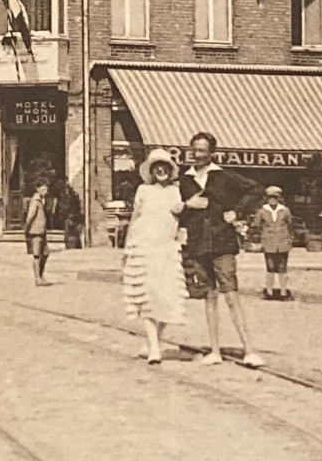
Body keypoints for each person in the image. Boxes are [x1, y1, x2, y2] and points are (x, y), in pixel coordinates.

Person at [179, 131, 266, 368]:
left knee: (231, 293)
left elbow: (256, 190)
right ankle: (215, 351)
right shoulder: (184, 180)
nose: (197, 155)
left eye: (202, 150)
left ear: (211, 153)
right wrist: (188, 205)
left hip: (222, 242)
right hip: (197, 244)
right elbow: (175, 209)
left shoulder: (224, 176)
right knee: (209, 296)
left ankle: (249, 350)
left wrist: (236, 212)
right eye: (194, 150)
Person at [123, 150, 193, 364]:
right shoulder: (143, 190)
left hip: (167, 250)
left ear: (170, 169)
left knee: (169, 297)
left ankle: (154, 340)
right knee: (147, 297)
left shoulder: (176, 192)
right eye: (156, 166)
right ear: (151, 170)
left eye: (164, 166)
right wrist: (126, 249)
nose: (160, 170)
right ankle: (154, 347)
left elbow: (185, 218)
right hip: (143, 248)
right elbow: (135, 218)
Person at [257, 186, 294, 301]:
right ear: (266, 198)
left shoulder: (285, 210)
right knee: (270, 267)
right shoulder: (262, 211)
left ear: (279, 198)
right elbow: (257, 225)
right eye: (270, 197)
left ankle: (283, 292)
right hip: (268, 242)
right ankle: (269, 291)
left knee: (282, 267)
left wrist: (288, 239)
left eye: (275, 197)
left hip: (282, 242)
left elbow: (290, 224)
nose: (272, 200)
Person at [24, 180, 52, 286]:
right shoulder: (35, 201)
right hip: (35, 232)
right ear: (38, 189)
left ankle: (41, 276)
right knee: (37, 255)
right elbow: (30, 216)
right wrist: (27, 229)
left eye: (46, 189)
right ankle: (37, 279)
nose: (46, 191)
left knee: (45, 254)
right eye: (44, 189)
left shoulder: (41, 200)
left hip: (42, 231)